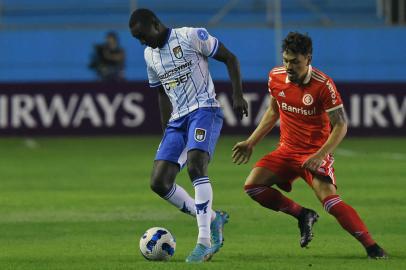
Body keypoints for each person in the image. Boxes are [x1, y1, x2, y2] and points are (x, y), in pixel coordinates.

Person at [232, 32, 387, 259]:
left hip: (313, 154)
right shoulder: (275, 76)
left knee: (331, 202)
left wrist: (320, 155)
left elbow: (341, 126)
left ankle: (372, 247)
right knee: (253, 186)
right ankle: (303, 214)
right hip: (286, 150)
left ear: (308, 58)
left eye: (295, 61)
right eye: (286, 60)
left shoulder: (323, 85)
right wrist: (250, 142)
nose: (289, 66)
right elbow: (274, 111)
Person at [129, 9, 248, 263]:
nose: (141, 41)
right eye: (136, 38)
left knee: (196, 166)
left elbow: (230, 58)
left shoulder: (190, 36)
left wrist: (237, 94)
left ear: (155, 24)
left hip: (204, 109)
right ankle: (214, 219)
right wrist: (166, 131)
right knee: (159, 182)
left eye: (142, 35)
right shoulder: (149, 55)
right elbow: (161, 92)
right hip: (177, 121)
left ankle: (204, 241)